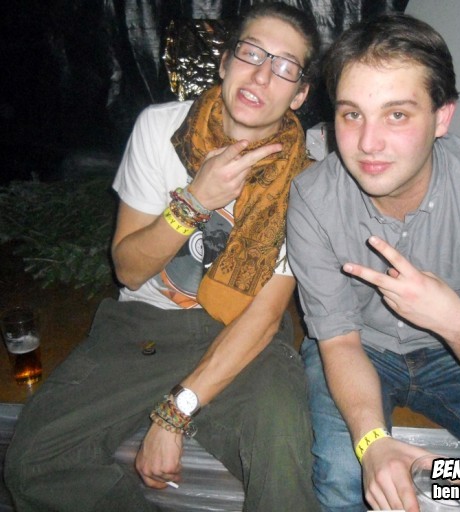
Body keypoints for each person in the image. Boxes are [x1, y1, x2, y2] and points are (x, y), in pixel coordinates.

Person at [5, 3, 322, 511]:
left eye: (285, 67)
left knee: (284, 455)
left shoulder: (306, 181)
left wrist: (174, 414)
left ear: (300, 94)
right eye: (251, 53)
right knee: (33, 462)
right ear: (225, 61)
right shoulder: (160, 130)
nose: (262, 75)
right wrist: (195, 201)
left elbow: (264, 318)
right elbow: (129, 270)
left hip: (242, 337)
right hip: (144, 328)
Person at [286, 13, 460, 512]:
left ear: (441, 118)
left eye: (397, 115)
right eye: (352, 114)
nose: (368, 143)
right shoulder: (313, 199)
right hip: (360, 347)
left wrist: (455, 323)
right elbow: (338, 341)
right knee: (343, 474)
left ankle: (449, 489)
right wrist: (373, 445)